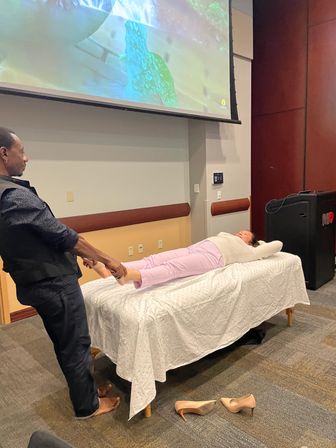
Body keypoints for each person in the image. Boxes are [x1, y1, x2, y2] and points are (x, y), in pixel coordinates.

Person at [0, 126, 127, 419]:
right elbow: (64, 236)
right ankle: (88, 406)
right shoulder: (13, 197)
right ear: (4, 154)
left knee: (66, 341)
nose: (26, 158)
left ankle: (87, 391)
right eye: (22, 152)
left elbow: (38, 237)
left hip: (36, 280)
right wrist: (108, 261)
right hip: (52, 284)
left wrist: (78, 254)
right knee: (75, 344)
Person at [84, 230, 283, 289]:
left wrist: (260, 244)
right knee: (154, 259)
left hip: (212, 258)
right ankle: (108, 268)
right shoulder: (226, 236)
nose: (240, 233)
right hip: (195, 248)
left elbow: (277, 245)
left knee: (173, 268)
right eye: (240, 232)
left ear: (252, 242)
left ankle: (131, 276)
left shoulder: (248, 252)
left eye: (246, 234)